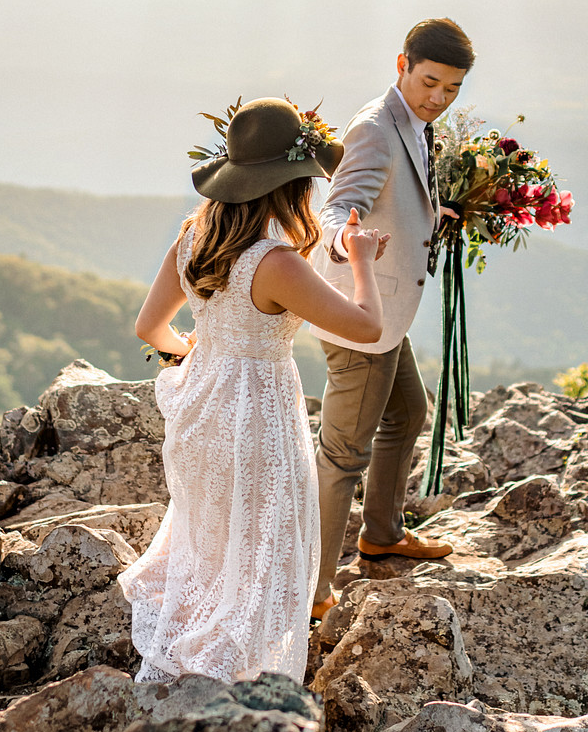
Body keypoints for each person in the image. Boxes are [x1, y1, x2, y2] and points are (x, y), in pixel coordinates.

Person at [119, 96, 388, 686]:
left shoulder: (194, 237)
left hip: (201, 407)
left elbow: (149, 328)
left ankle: (187, 671)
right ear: (290, 185)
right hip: (258, 414)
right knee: (265, 548)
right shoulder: (275, 262)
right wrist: (364, 261)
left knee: (211, 542)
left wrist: (196, 350)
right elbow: (368, 327)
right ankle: (234, 678)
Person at [310, 17, 476, 619]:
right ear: (401, 63)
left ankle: (381, 532)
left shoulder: (411, 122)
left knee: (409, 412)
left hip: (386, 313)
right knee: (342, 456)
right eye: (430, 82)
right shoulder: (377, 129)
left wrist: (436, 215)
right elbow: (340, 207)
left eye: (451, 90)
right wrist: (343, 244)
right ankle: (313, 591)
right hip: (361, 313)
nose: (438, 98)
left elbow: (397, 198)